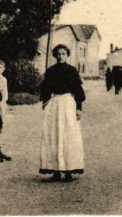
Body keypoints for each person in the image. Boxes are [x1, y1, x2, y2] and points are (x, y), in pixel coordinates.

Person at [40, 44, 86, 182]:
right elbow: (46, 89)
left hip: (68, 104)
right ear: (55, 55)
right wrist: (45, 104)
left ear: (67, 55)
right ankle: (55, 170)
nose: (61, 56)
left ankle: (68, 170)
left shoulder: (72, 71)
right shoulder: (50, 71)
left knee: (69, 135)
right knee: (54, 134)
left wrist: (79, 108)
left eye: (63, 54)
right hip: (55, 104)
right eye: (58, 54)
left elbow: (77, 90)